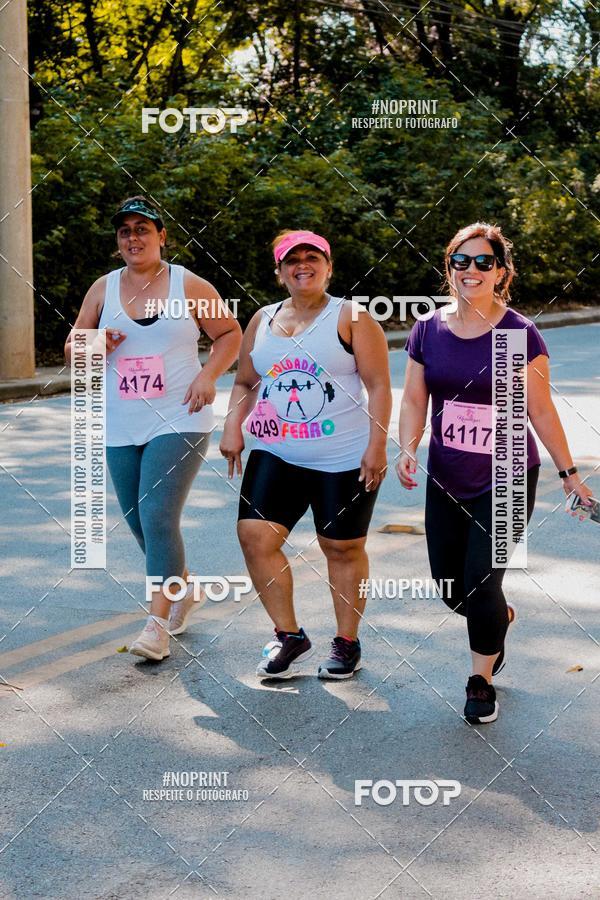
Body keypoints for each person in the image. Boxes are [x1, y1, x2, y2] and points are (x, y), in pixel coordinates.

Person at [397, 221, 593, 724]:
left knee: (482, 581)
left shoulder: (518, 333)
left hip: (507, 475)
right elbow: (415, 397)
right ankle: (498, 618)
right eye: (461, 260)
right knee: (451, 588)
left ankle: (480, 680)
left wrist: (570, 473)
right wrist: (407, 447)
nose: (472, 270)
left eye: (484, 262)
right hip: (447, 476)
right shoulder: (428, 329)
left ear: (501, 272)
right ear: (449, 267)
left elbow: (540, 410)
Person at [65, 196, 242, 661]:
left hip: (181, 415)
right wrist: (94, 342)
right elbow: (73, 347)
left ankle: (156, 625)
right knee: (138, 519)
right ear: (117, 241)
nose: (133, 238)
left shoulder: (189, 284)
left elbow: (230, 334)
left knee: (158, 514)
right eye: (125, 231)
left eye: (142, 229)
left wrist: (208, 375)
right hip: (121, 421)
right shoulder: (103, 289)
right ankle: (184, 587)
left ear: (161, 236)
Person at [220, 230, 392, 679]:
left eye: (312, 257)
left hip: (342, 456)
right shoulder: (262, 320)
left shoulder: (352, 317)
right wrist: (232, 427)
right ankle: (288, 635)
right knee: (255, 537)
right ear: (279, 272)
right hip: (276, 450)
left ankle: (347, 642)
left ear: (328, 267)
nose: (302, 265)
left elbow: (378, 385)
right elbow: (245, 381)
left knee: (341, 547)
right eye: (291, 259)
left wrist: (377, 445)